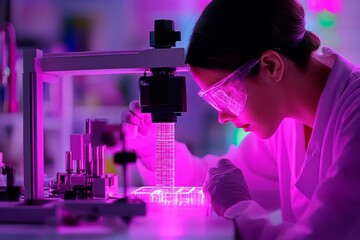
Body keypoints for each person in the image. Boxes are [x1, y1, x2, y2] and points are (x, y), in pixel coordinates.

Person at [121, 0, 360, 239]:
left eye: (226, 95)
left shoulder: (355, 111)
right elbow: (213, 183)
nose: (222, 116)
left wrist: (239, 210)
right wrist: (154, 148)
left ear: (271, 66)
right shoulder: (286, 122)